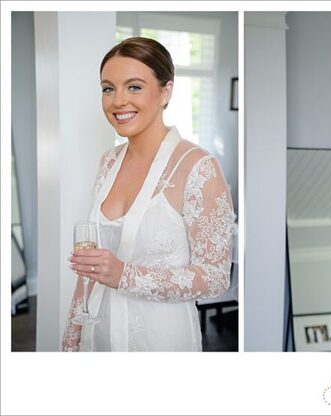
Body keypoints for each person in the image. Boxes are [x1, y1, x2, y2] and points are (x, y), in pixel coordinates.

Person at [62, 37, 235, 351]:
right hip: (97, 339)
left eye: (134, 87)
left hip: (161, 343)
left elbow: (215, 277)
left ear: (165, 92)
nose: (118, 101)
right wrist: (71, 343)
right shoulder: (108, 162)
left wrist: (125, 275)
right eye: (108, 88)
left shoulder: (198, 167)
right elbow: (91, 270)